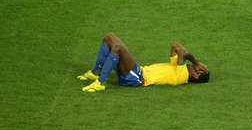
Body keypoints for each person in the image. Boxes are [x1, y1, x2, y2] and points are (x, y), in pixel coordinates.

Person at [78, 33, 209, 92]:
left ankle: (99, 83)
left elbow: (183, 52)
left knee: (117, 48)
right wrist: (194, 62)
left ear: (196, 75)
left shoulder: (182, 76)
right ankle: (95, 72)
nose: (198, 65)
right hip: (136, 73)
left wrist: (195, 61)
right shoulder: (178, 67)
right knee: (109, 38)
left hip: (138, 78)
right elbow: (176, 45)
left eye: (201, 68)